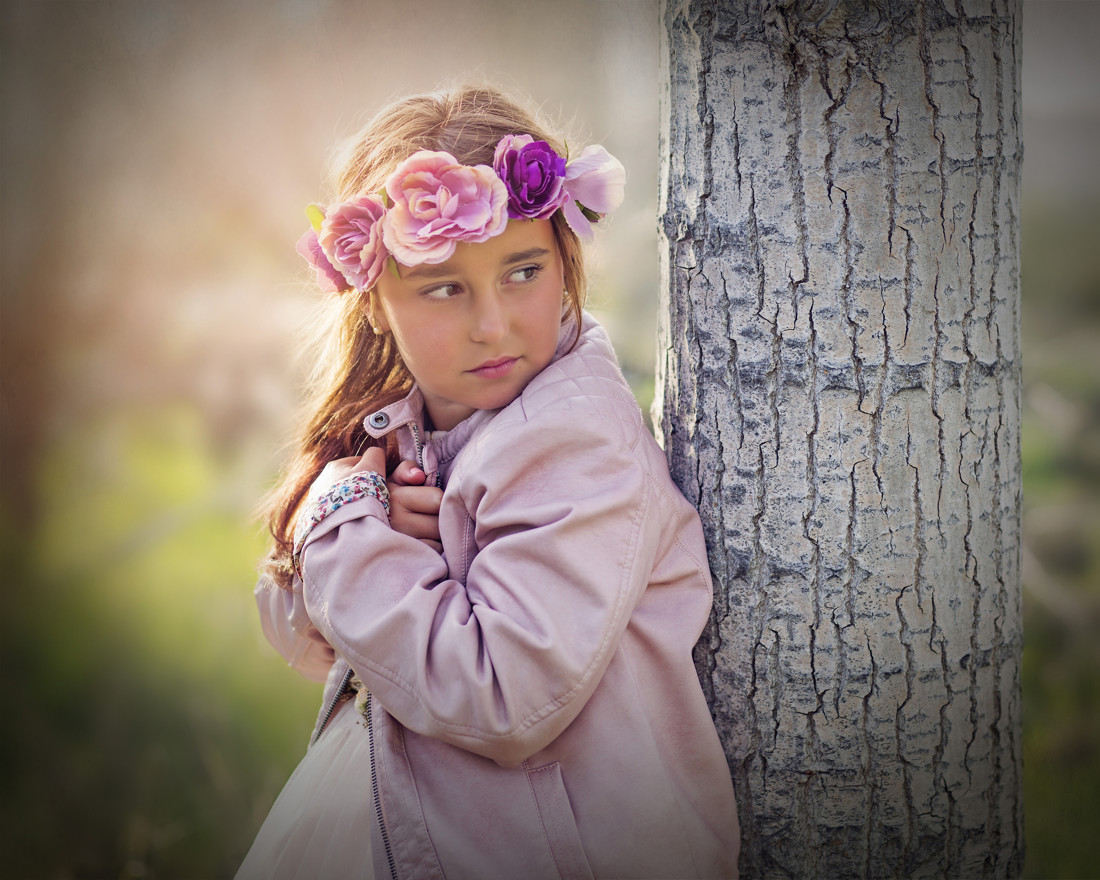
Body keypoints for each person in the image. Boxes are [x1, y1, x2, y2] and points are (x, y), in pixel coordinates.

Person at [238, 85, 740, 880]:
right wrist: (355, 521)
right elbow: (303, 637)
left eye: (523, 271)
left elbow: (506, 697)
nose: (493, 324)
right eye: (444, 287)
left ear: (565, 262)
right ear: (373, 304)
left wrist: (347, 534)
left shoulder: (576, 442)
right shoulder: (400, 429)